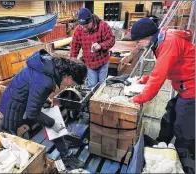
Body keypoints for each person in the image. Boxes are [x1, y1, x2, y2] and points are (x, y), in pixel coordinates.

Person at [0, 49, 87, 168]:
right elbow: (32, 113)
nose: (70, 86)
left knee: (53, 116)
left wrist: (45, 100)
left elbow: (33, 86)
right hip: (13, 105)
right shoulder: (45, 81)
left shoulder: (53, 66)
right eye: (73, 84)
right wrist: (52, 123)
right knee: (10, 141)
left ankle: (66, 156)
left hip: (25, 99)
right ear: (69, 77)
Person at [130, 18, 195, 159]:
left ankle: (184, 160)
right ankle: (160, 146)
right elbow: (165, 68)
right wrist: (146, 79)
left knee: (184, 130)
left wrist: (138, 99)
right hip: (184, 87)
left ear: (146, 36)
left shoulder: (169, 42)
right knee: (169, 117)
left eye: (138, 41)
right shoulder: (161, 40)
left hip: (191, 89)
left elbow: (159, 75)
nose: (138, 44)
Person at [70, 8, 115, 88]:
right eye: (82, 26)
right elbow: (74, 47)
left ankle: (100, 99)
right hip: (89, 63)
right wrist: (71, 63)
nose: (84, 28)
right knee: (92, 85)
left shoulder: (103, 25)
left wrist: (101, 45)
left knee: (102, 84)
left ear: (91, 20)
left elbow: (111, 40)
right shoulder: (78, 30)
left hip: (102, 62)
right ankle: (92, 99)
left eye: (86, 26)